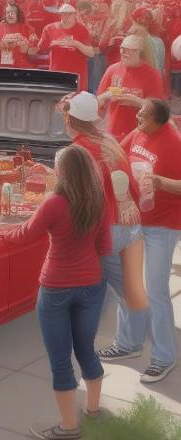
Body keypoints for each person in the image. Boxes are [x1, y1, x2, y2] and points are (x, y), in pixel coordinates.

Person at [1, 145, 111, 440]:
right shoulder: (98, 201)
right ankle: (93, 411)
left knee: (60, 360)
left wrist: (3, 233)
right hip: (91, 287)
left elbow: (26, 234)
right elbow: (104, 248)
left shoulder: (54, 203)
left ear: (62, 172)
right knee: (86, 350)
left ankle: (68, 428)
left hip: (55, 289)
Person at [59, 92, 149, 361]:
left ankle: (132, 344)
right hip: (128, 225)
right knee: (113, 287)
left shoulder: (77, 151)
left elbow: (75, 198)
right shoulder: (107, 140)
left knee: (125, 292)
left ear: (70, 118)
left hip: (108, 230)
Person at [103, 98, 181, 383]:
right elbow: (117, 156)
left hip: (162, 226)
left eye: (144, 115)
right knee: (129, 284)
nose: (137, 116)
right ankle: (128, 344)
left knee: (155, 291)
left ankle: (163, 359)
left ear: (159, 121)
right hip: (136, 220)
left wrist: (160, 182)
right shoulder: (139, 133)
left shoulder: (174, 143)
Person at [97, 35, 164, 142]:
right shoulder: (112, 69)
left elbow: (157, 110)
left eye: (130, 50)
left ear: (139, 51)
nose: (125, 53)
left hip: (140, 134)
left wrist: (136, 101)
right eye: (122, 49)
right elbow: (97, 103)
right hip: (113, 133)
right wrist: (106, 95)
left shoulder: (152, 75)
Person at [34, 3, 94, 91]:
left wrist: (76, 43)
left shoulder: (82, 29)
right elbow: (40, 49)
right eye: (64, 13)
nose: (67, 16)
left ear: (75, 14)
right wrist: (51, 44)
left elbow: (91, 53)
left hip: (77, 74)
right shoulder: (49, 28)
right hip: (58, 73)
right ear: (60, 15)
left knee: (77, 101)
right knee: (57, 100)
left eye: (70, 13)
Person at [0, 4, 36, 69]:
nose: (10, 15)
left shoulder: (28, 29)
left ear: (18, 14)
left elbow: (34, 54)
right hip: (3, 67)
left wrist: (26, 48)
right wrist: (1, 46)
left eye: (13, 12)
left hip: (23, 68)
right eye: (8, 12)